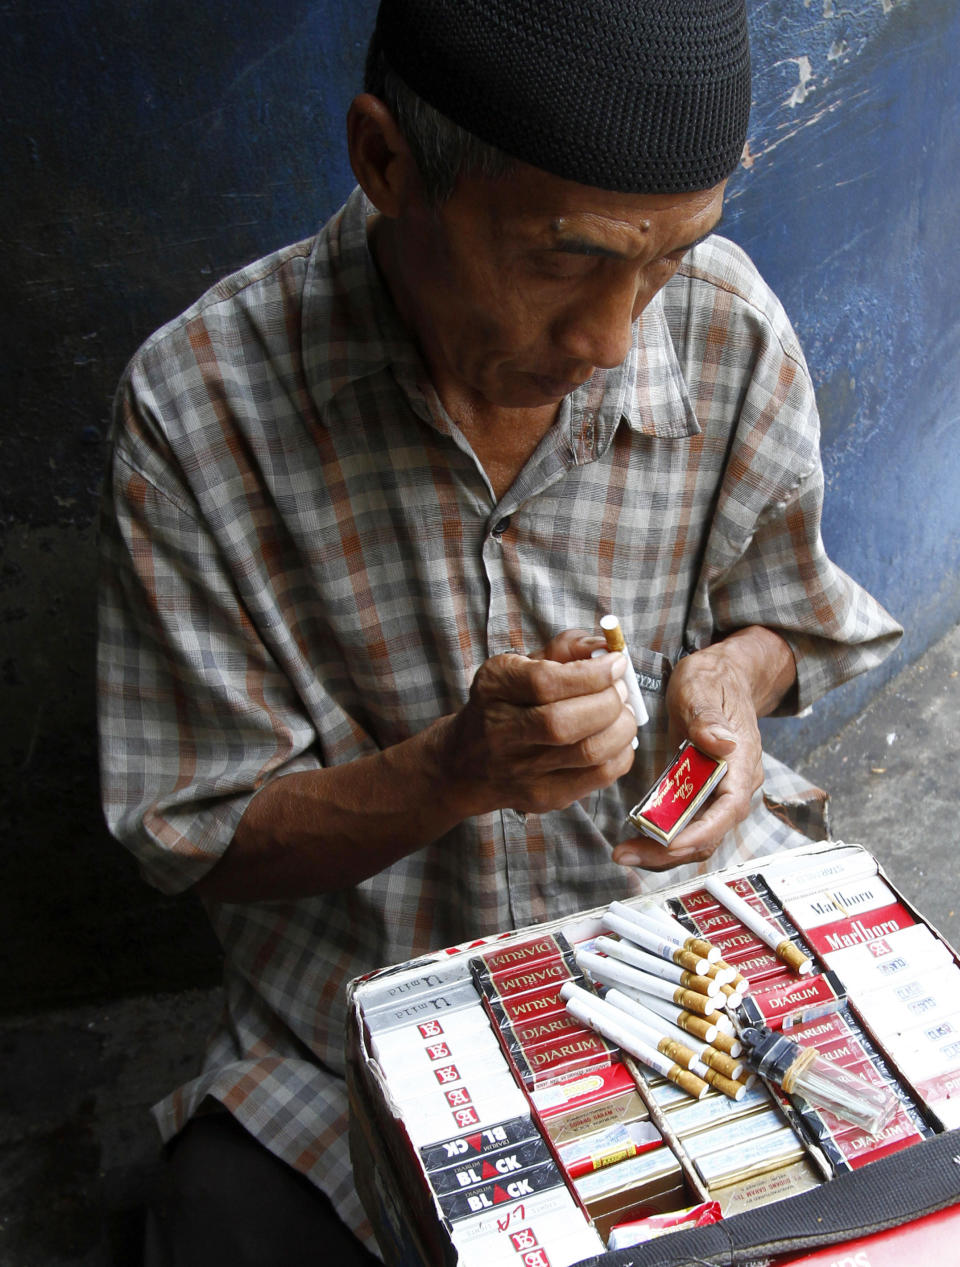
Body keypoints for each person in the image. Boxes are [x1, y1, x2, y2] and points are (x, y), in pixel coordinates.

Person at [97, 0, 901, 1261]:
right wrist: (452, 771)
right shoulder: (203, 413)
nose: (612, 338)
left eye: (670, 257)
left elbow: (789, 616)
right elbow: (198, 836)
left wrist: (732, 680)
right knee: (219, 1223)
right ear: (386, 164)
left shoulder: (729, 325)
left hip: (687, 959)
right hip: (366, 1009)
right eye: (565, 256)